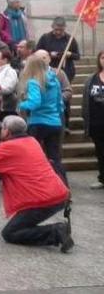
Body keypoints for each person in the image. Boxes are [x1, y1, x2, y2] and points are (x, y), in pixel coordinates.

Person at [0, 116, 73, 253]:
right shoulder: (32, 141)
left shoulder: (9, 147)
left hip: (43, 200)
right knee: (19, 227)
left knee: (10, 233)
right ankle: (59, 230)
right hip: (57, 194)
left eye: (2, 128)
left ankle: (56, 231)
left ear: (7, 132)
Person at [18, 54, 64, 173]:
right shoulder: (55, 81)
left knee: (33, 156)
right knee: (55, 158)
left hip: (38, 122)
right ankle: (63, 186)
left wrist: (21, 105)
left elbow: (34, 103)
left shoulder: (33, 82)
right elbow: (60, 102)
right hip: (55, 122)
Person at [82, 50, 104, 189]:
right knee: (101, 152)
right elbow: (86, 99)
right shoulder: (92, 78)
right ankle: (102, 178)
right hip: (97, 123)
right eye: (103, 57)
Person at [35, 16, 80, 83]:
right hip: (48, 71)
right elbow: (36, 53)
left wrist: (70, 54)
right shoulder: (45, 38)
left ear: (64, 28)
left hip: (66, 72)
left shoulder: (70, 39)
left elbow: (77, 56)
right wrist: (48, 55)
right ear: (52, 27)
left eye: (61, 30)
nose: (58, 32)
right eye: (56, 30)